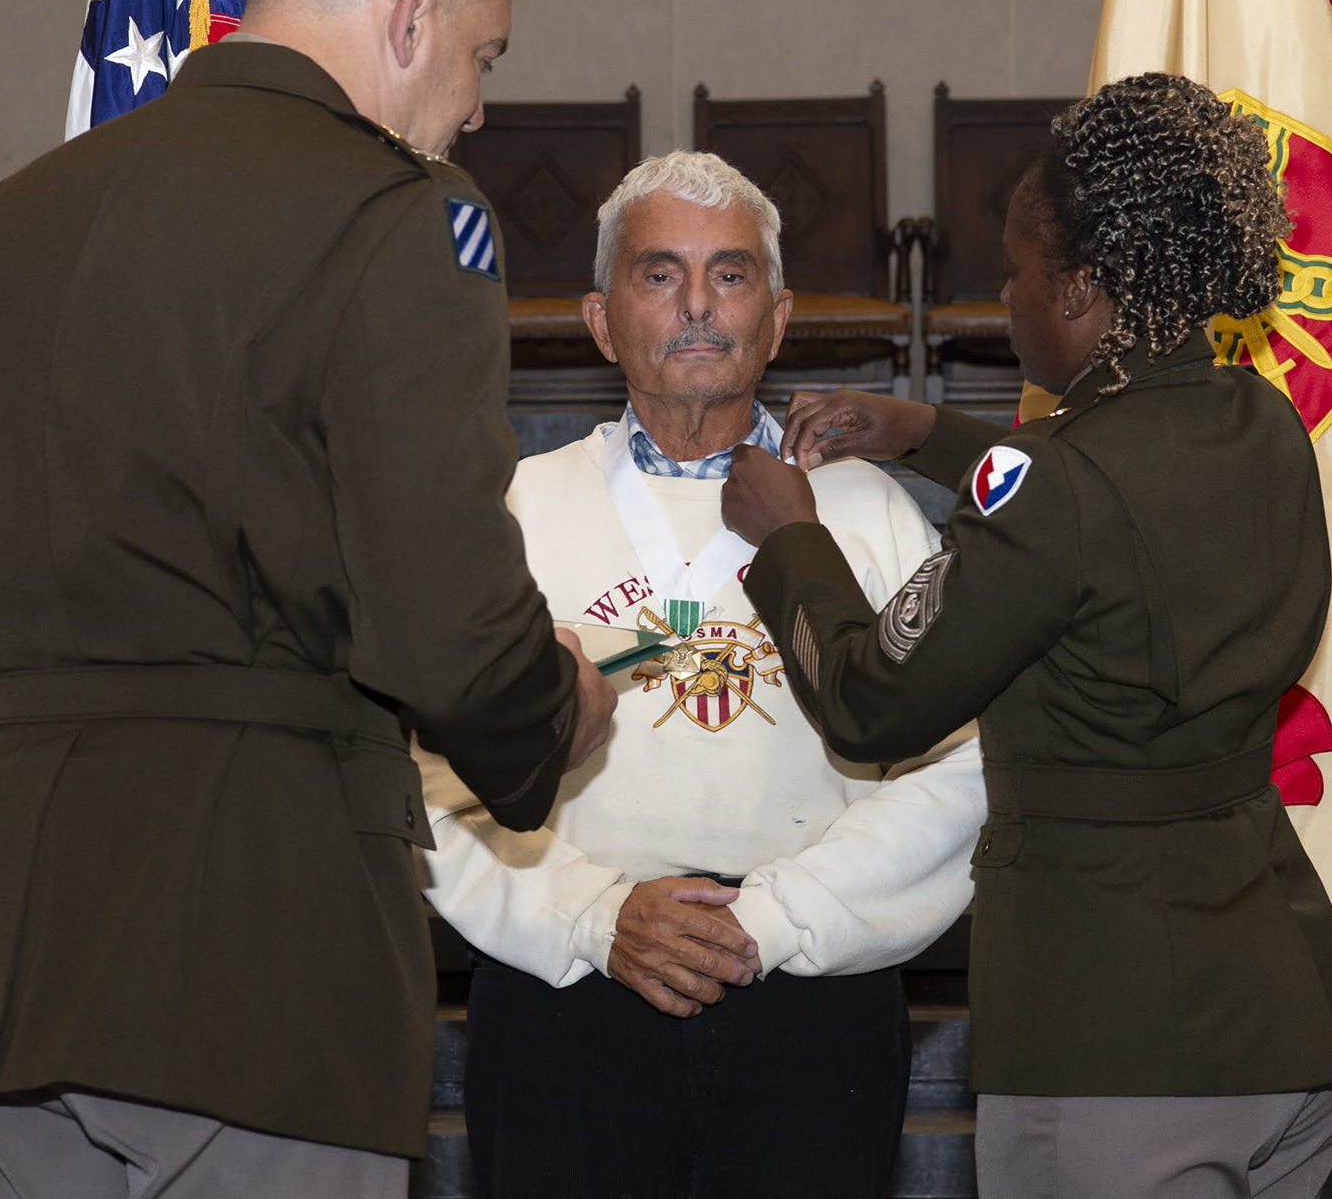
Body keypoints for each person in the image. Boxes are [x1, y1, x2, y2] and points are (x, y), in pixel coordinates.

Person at [0, 0, 615, 1199]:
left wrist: (108, 706)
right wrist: (554, 715)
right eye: (484, 58)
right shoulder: (402, 219)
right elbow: (443, 617)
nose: (480, 107)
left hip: (22, 948)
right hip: (265, 940)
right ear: (408, 14)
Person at [720, 73, 1332, 1199]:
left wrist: (791, 540)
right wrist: (925, 431)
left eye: (1016, 271)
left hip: (1120, 1042)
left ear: (1076, 290)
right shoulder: (1261, 421)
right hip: (1291, 1019)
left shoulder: (1059, 496)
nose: (1005, 294)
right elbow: (1110, 504)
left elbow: (873, 696)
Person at [415, 151, 983, 1199]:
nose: (697, 307)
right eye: (659, 273)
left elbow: (957, 770)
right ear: (599, 317)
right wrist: (592, 914)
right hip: (567, 998)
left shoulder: (867, 512)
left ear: (777, 318)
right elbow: (434, 775)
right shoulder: (518, 512)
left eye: (730, 276)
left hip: (815, 1001)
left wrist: (771, 919)